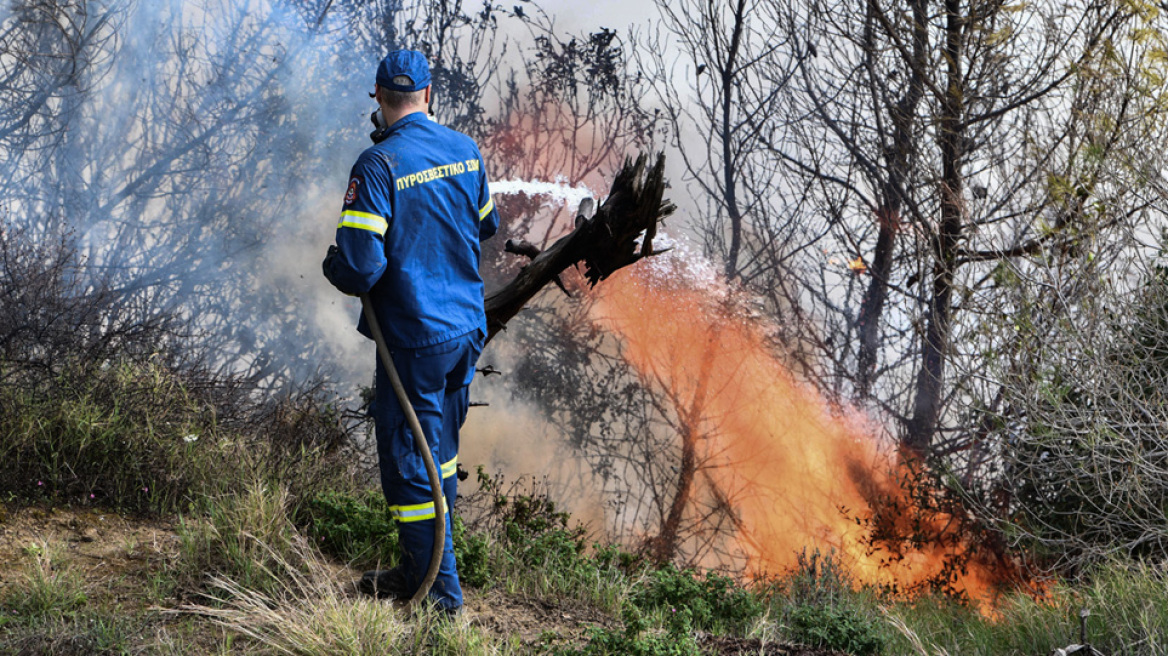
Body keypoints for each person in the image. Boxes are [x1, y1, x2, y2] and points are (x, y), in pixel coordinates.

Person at [321, 49, 499, 616]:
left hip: (416, 341)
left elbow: (360, 268)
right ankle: (415, 571)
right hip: (465, 331)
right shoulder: (464, 148)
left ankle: (442, 604)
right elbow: (487, 224)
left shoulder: (377, 165)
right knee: (438, 455)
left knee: (411, 469)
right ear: (428, 95)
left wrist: (333, 265)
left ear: (377, 97)